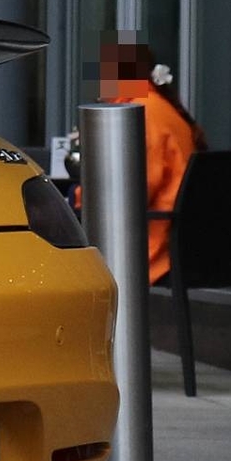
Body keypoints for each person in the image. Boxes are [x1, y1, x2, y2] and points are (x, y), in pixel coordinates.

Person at [89, 40, 203, 284]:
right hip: (184, 235)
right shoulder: (161, 106)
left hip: (154, 243)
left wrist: (78, 197)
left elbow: (134, 187)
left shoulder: (140, 113)